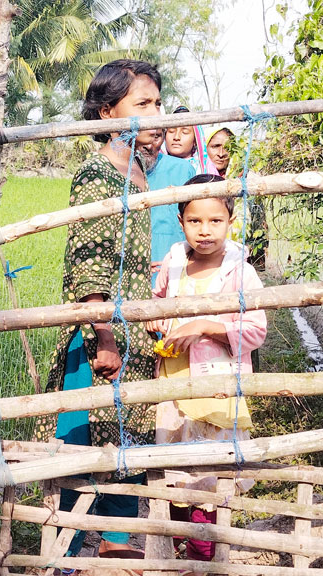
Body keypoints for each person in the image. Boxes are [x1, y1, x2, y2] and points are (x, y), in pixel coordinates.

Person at [45, 58, 161, 560]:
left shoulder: (137, 173)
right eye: (143, 104)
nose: (154, 114)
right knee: (80, 452)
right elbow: (91, 265)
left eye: (157, 103)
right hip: (98, 340)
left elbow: (126, 258)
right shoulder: (97, 173)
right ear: (106, 112)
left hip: (129, 335)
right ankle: (65, 559)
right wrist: (107, 341)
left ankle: (115, 554)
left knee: (125, 453)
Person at [146, 174, 267, 567]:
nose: (205, 230)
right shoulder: (174, 263)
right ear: (181, 221)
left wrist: (202, 326)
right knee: (177, 478)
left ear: (231, 221)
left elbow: (255, 330)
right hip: (173, 386)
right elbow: (158, 305)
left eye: (215, 220)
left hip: (215, 389)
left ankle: (204, 562)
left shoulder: (241, 272)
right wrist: (158, 324)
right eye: (195, 220)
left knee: (209, 482)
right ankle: (185, 559)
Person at [140, 130, 196, 285]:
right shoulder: (116, 172)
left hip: (175, 269)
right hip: (131, 272)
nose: (149, 145)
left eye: (156, 137)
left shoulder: (182, 169)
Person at [165, 105, 218, 176]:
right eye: (171, 131)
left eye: (185, 132)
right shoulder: (155, 166)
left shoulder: (206, 168)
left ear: (195, 140)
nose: (176, 137)